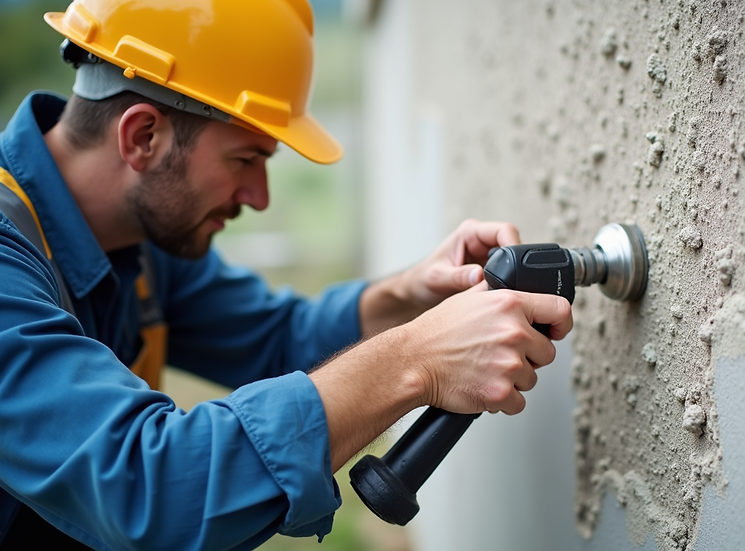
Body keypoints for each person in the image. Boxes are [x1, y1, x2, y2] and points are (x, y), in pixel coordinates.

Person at [0, 1, 573, 549]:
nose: (261, 197)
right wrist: (416, 360)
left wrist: (411, 294)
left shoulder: (139, 240)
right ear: (142, 137)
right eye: (245, 160)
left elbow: (277, 339)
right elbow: (154, 486)